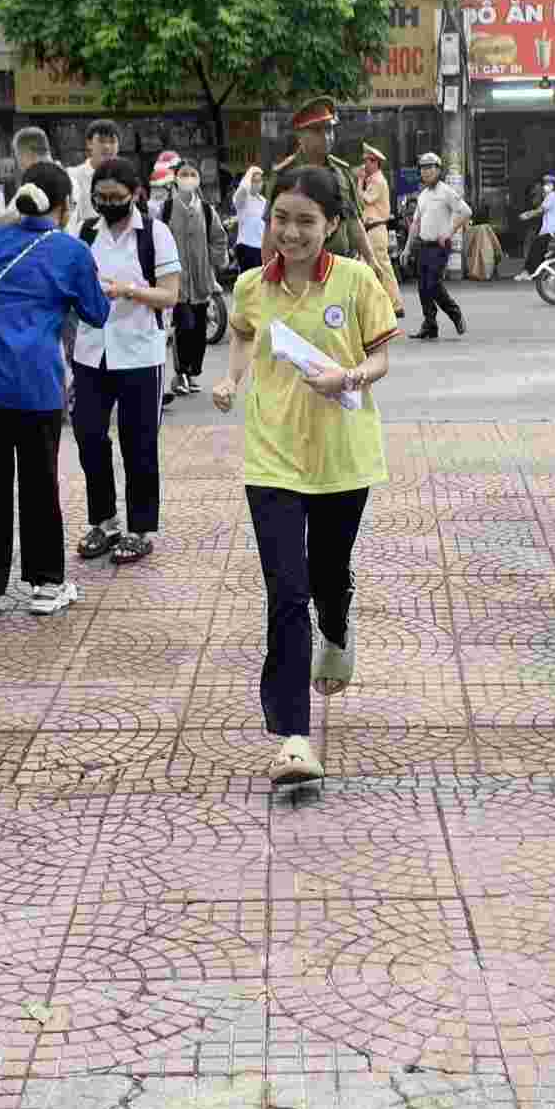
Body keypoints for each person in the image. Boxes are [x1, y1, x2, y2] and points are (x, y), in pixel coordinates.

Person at [210, 165, 399, 788]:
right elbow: (241, 337)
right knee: (286, 594)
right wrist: (231, 378)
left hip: (343, 456)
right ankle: (293, 736)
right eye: (280, 219)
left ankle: (338, 630)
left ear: (332, 226)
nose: (289, 233)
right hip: (272, 459)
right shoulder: (249, 287)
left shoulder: (356, 280)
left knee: (326, 578)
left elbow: (381, 358)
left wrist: (347, 377)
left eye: (305, 222)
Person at [0, 165, 113, 625]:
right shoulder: (70, 250)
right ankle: (46, 585)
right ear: (62, 207)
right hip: (37, 385)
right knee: (40, 484)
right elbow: (96, 312)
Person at [70, 155, 180, 567]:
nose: (108, 204)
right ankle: (104, 520)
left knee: (139, 443)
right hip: (91, 351)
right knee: (88, 435)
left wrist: (129, 291)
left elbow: (170, 294)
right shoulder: (84, 232)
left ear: (135, 195)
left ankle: (139, 528)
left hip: (138, 352)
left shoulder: (155, 233)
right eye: (101, 197)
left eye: (116, 197)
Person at [265, 96, 395, 288]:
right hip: (299, 271)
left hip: (340, 268)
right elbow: (270, 228)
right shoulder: (285, 175)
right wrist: (269, 270)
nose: (327, 136)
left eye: (330, 130)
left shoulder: (342, 172)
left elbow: (353, 221)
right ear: (301, 136)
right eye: (318, 131)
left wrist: (371, 260)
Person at [160, 156, 227, 400]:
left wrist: (217, 262)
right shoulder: (166, 209)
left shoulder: (207, 211)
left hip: (201, 281)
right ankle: (181, 374)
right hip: (175, 281)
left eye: (192, 175)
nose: (188, 180)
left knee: (199, 331)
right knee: (184, 327)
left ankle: (192, 372)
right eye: (183, 175)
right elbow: (156, 239)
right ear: (176, 181)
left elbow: (218, 238)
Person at [408, 151, 471, 340]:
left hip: (440, 246)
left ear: (438, 170)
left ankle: (455, 313)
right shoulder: (423, 195)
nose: (426, 172)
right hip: (423, 245)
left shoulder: (446, 191)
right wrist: (406, 248)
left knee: (433, 285)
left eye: (430, 168)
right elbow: (415, 223)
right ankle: (430, 325)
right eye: (423, 169)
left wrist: (449, 232)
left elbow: (466, 212)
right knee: (422, 287)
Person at [357, 144, 408, 318]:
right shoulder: (373, 180)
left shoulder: (377, 180)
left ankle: (395, 304)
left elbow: (364, 199)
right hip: (371, 229)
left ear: (375, 162)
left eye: (367, 162)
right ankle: (383, 304)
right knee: (370, 268)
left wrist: (358, 182)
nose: (364, 165)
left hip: (376, 229)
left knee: (381, 268)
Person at [66, 118, 121, 227]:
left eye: (112, 141)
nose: (107, 146)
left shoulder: (125, 178)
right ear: (89, 143)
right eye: (101, 141)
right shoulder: (73, 176)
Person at [231, 164, 269, 275]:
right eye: (254, 181)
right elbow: (241, 192)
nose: (257, 184)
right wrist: (249, 174)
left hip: (261, 247)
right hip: (246, 246)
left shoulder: (263, 201)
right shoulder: (242, 198)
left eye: (259, 181)